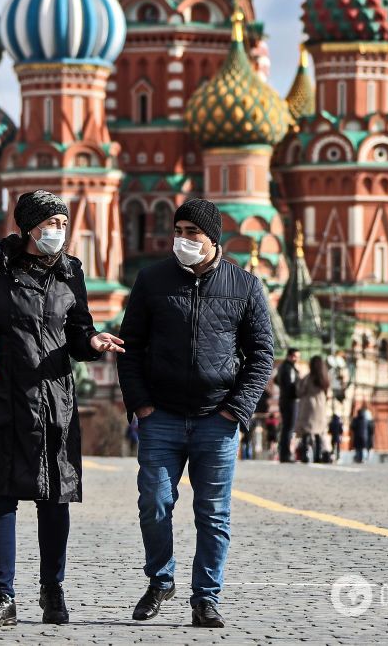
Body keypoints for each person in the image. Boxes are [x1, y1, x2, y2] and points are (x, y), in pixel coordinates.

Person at [0, 189, 124, 628]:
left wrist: (93, 343)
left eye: (63, 224)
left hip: (54, 402)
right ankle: (3, 597)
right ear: (29, 228)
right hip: (3, 401)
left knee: (54, 500)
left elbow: (80, 332)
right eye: (51, 224)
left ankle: (52, 591)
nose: (59, 232)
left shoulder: (71, 272)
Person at [116, 198, 273, 629]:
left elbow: (262, 355)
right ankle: (160, 580)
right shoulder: (152, 281)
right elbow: (130, 348)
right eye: (178, 230)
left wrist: (236, 410)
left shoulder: (244, 285)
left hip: (216, 419)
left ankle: (205, 597)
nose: (183, 240)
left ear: (213, 239)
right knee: (154, 503)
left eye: (192, 234)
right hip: (161, 416)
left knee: (214, 514)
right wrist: (141, 403)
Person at [294, 356, 330, 464]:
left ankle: (305, 455)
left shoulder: (308, 378)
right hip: (321, 407)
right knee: (319, 433)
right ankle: (317, 455)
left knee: (306, 432)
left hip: (308, 406)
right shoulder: (324, 378)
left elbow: (300, 391)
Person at [275, 348, 300, 463]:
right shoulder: (289, 368)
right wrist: (299, 392)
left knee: (286, 427)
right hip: (290, 401)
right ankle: (286, 454)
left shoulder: (281, 367)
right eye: (295, 356)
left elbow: (276, 380)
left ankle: (283, 453)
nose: (297, 359)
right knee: (289, 428)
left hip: (283, 399)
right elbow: (292, 385)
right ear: (289, 356)